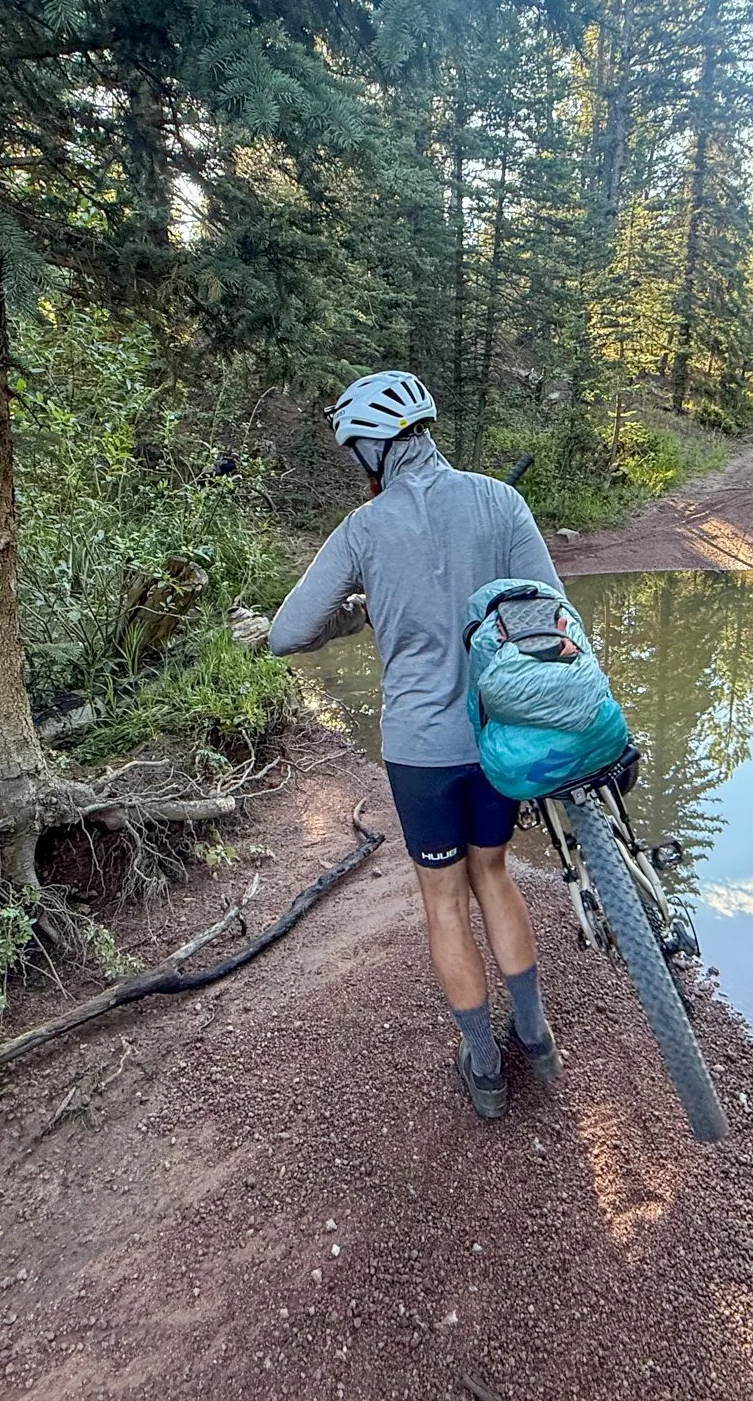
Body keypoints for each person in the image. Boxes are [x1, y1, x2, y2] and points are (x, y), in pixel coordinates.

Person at [266, 371, 562, 1120]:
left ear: (369, 447)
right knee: (494, 875)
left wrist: (366, 611)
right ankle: (535, 1036)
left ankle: (485, 1070)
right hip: (497, 734)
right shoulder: (500, 499)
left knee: (442, 898)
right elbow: (550, 610)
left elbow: (286, 633)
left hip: (420, 751)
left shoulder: (362, 531)